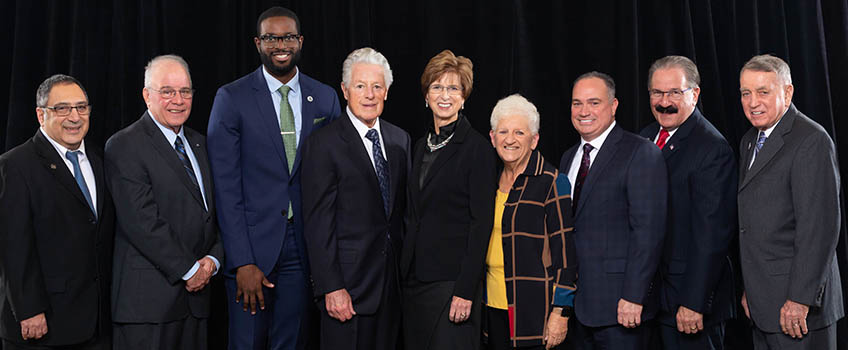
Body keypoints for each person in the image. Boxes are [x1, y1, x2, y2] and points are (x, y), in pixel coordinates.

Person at [206, 6, 341, 349]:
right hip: (252, 249)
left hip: (303, 247)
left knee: (291, 341)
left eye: (288, 37)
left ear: (300, 41)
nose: (280, 44)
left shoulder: (324, 97)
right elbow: (225, 186)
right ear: (257, 43)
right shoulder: (231, 98)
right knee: (248, 342)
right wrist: (242, 262)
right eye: (271, 37)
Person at [105, 55, 223, 349]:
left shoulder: (200, 143)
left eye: (185, 91)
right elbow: (142, 221)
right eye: (167, 91)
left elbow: (215, 213)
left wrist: (213, 260)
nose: (178, 100)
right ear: (147, 95)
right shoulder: (124, 145)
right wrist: (190, 269)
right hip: (149, 306)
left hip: (197, 302)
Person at [301, 47, 410, 350]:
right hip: (346, 289)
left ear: (386, 92)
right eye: (361, 86)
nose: (370, 94)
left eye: (377, 86)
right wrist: (331, 287)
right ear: (345, 90)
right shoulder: (323, 144)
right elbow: (317, 223)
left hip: (390, 288)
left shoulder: (400, 140)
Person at [737, 54, 843, 349]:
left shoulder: (811, 139)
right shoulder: (750, 140)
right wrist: (753, 289)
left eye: (763, 92)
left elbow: (819, 229)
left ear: (787, 92)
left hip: (797, 308)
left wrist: (800, 298)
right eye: (746, 93)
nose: (753, 102)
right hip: (764, 303)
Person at [0, 75, 114, 350]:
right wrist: (29, 310)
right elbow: (13, 246)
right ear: (41, 115)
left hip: (97, 324)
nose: (74, 117)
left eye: (81, 107)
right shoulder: (16, 165)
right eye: (62, 108)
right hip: (43, 325)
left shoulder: (101, 160)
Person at [559, 72, 667, 350]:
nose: (584, 111)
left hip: (622, 307)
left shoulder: (640, 152)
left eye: (594, 103)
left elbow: (648, 233)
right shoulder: (569, 157)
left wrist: (634, 296)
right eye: (577, 103)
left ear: (614, 105)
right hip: (578, 307)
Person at [637, 56, 737, 350]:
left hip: (688, 302)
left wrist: (694, 301)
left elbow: (713, 234)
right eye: (657, 93)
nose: (664, 101)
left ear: (694, 94)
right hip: (653, 300)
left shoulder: (711, 148)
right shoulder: (645, 138)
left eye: (674, 93)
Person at [399, 49, 496, 350]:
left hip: (452, 285)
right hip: (414, 281)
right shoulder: (417, 147)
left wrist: (466, 290)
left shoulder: (477, 149)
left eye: (453, 88)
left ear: (464, 97)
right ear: (426, 95)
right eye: (437, 87)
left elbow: (482, 224)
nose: (445, 95)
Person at [485, 94, 576, 350]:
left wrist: (561, 312)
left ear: (534, 140)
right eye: (503, 131)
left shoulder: (552, 181)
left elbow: (565, 257)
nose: (510, 139)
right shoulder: (488, 180)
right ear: (493, 138)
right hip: (491, 305)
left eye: (519, 132)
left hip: (533, 309)